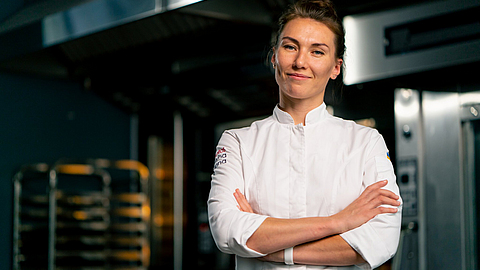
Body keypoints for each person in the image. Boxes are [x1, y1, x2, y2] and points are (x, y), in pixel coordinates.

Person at [207, 0, 402, 269]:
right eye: (290, 47)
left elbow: (381, 241)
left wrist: (267, 247)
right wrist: (339, 223)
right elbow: (226, 230)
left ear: (336, 67)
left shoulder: (367, 143)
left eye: (317, 52)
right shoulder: (238, 142)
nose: (300, 62)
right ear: (274, 56)